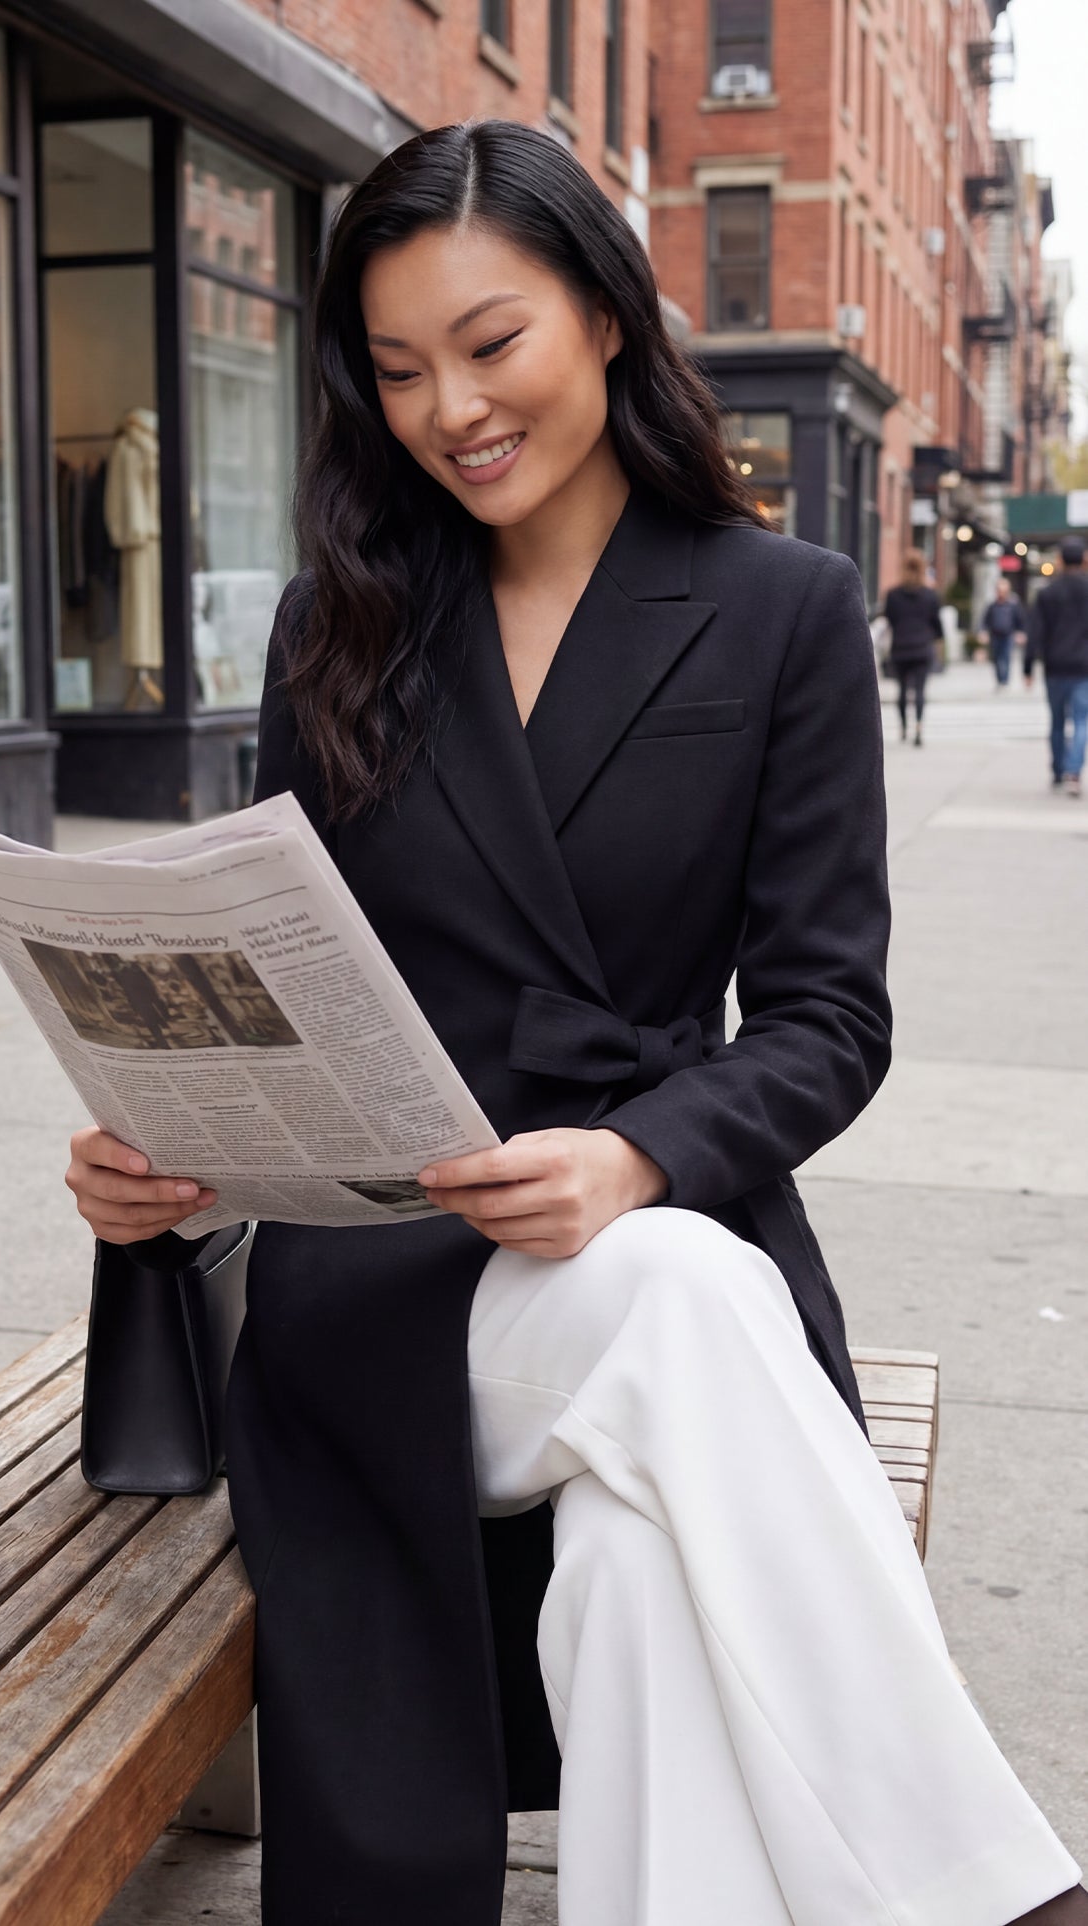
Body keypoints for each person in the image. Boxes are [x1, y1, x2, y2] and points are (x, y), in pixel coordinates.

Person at [64, 121, 1086, 1926]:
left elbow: (827, 1017)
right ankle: (977, 1889)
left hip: (635, 1228)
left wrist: (636, 1154)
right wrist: (165, 1149)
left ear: (604, 316)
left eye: (488, 341)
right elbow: (268, 981)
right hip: (380, 1293)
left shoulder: (783, 612)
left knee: (636, 1552)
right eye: (393, 369)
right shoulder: (339, 626)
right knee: (693, 1306)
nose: (447, 405)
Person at [1024, 537, 1088, 797]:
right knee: (1082, 720)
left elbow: (1036, 632)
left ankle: (1059, 769)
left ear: (1060, 560)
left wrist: (1028, 666)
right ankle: (1074, 771)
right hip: (1084, 666)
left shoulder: (1047, 592)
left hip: (1055, 665)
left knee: (1058, 721)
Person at [882, 548, 944, 744]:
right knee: (920, 690)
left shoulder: (893, 595)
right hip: (922, 647)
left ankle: (903, 727)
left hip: (900, 646)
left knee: (901, 690)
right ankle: (918, 727)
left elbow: (890, 619)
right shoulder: (929, 595)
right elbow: (937, 624)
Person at [980, 575, 1028, 689]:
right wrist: (983, 632)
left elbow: (1020, 620)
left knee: (1006, 657)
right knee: (996, 658)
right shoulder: (992, 606)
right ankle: (999, 679)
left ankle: (1005, 680)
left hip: (1008, 635)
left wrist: (1021, 632)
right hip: (995, 635)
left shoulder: (1013, 605)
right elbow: (985, 621)